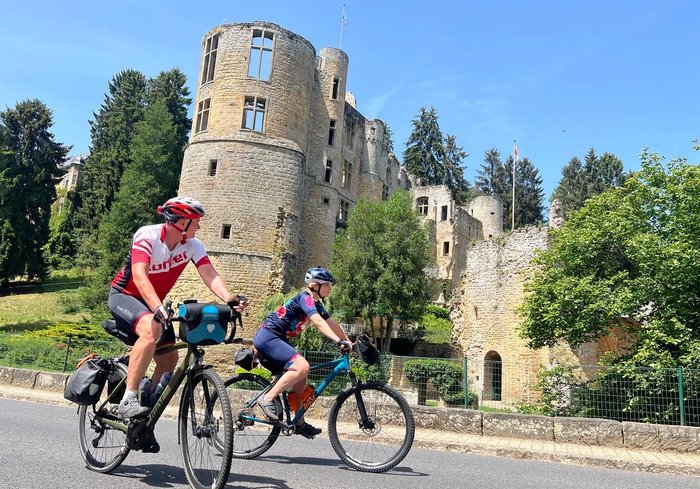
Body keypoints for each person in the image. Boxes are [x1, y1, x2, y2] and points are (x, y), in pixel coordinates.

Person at [106, 196, 248, 418]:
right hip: (125, 296)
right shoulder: (147, 235)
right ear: (183, 223)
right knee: (151, 329)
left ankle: (144, 416)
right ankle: (128, 398)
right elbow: (139, 275)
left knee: (169, 360)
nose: (199, 226)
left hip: (153, 304)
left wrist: (229, 297)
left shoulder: (192, 246)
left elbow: (209, 274)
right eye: (196, 221)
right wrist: (157, 307)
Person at [252, 267, 352, 439]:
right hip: (269, 337)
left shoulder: (316, 304)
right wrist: (338, 341)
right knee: (302, 366)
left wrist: (350, 342)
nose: (330, 288)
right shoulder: (305, 298)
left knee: (302, 376)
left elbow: (332, 324)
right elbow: (319, 323)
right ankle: (267, 398)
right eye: (327, 284)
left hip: (280, 340)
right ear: (315, 286)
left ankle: (299, 423)